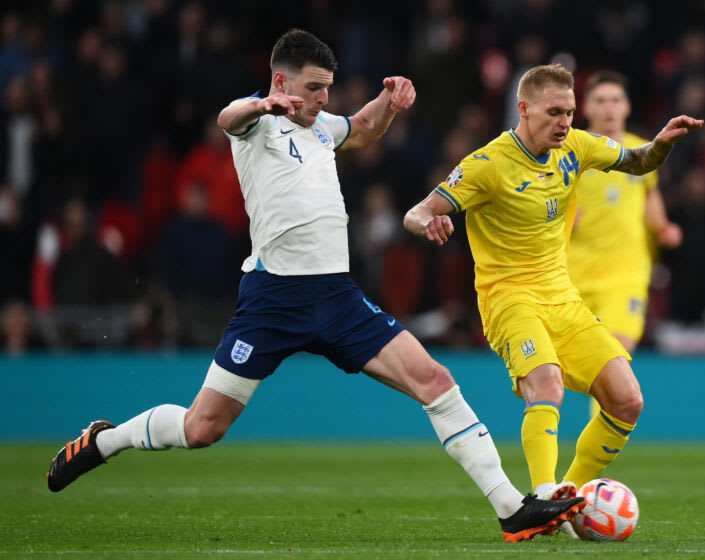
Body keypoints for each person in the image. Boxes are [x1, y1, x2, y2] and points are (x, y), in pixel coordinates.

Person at [46, 30, 583, 543]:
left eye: (327, 88)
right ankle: (106, 439)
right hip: (273, 300)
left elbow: (365, 128)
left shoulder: (322, 125)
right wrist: (261, 107)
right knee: (202, 427)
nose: (323, 98)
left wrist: (388, 101)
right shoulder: (257, 121)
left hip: (337, 297)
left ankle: (511, 509)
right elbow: (226, 117)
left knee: (434, 379)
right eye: (313, 88)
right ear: (281, 83)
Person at [404, 64, 702, 506]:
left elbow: (638, 162)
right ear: (523, 109)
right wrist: (430, 222)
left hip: (563, 298)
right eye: (554, 112)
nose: (565, 122)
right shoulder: (487, 165)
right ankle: (543, 496)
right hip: (509, 300)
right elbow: (417, 211)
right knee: (548, 384)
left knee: (627, 400)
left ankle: (570, 494)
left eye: (569, 112)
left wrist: (660, 144)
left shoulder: (577, 147)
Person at [567, 71, 682, 418]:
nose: (608, 108)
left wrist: (662, 227)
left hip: (626, 276)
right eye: (600, 100)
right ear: (585, 107)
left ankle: (593, 460)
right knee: (559, 371)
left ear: (627, 106)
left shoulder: (642, 151)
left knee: (614, 361)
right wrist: (560, 217)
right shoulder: (570, 152)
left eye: (615, 100)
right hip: (573, 277)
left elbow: (649, 195)